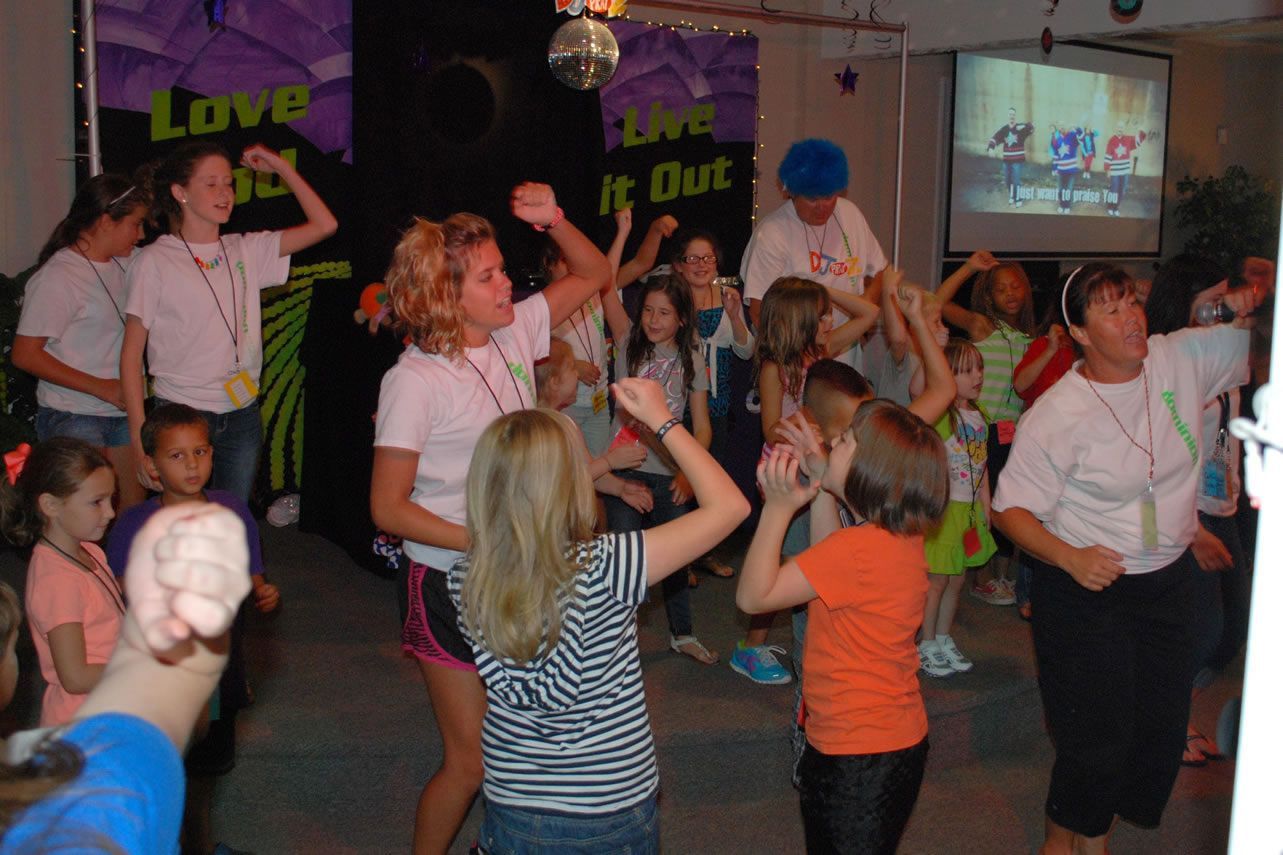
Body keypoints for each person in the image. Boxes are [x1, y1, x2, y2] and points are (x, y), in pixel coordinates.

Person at [369, 182, 611, 854]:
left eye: (504, 267)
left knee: (521, 740)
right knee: (471, 759)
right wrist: (488, 538)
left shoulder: (517, 328)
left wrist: (556, 219)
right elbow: (387, 507)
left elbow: (595, 273)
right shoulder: (414, 380)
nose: (508, 282)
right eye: (489, 275)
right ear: (447, 295)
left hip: (517, 571)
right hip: (447, 581)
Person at [992, 262, 1259, 854]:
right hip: (1088, 591)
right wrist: (1068, 556)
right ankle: (1065, 845)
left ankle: (1091, 837)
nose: (1131, 317)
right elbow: (1007, 512)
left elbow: (1262, 342)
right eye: (1109, 310)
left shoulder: (1178, 358)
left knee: (1156, 736)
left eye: (1130, 302)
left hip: (1165, 584)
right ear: (1080, 334)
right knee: (1095, 741)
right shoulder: (1058, 414)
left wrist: (1255, 296)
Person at [448, 379, 748, 852]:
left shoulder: (465, 576)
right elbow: (731, 506)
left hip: (511, 801)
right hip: (607, 808)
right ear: (570, 486)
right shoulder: (609, 565)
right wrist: (662, 420)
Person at [738, 399, 949, 854]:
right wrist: (824, 481)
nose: (832, 442)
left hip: (855, 756)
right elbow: (828, 562)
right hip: (889, 741)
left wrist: (776, 509)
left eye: (846, 440)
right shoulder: (895, 536)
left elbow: (753, 596)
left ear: (869, 472)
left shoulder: (855, 552)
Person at [1, 503, 252, 853]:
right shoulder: (112, 777)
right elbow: (76, 676)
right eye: (14, 648)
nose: (110, 511)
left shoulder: (25, 760)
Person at [122, 141, 338, 504]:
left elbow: (325, 224)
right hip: (181, 412)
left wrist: (282, 168)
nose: (225, 193)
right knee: (186, 525)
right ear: (180, 192)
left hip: (241, 413)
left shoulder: (245, 249)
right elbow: (131, 357)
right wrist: (138, 439)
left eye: (228, 183)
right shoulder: (154, 262)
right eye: (211, 184)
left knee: (232, 520)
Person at [731, 276, 878, 684]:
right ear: (800, 321)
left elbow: (871, 313)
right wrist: (813, 422)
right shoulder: (776, 367)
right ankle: (802, 657)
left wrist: (822, 290)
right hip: (788, 476)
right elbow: (770, 429)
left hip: (817, 469)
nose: (831, 320)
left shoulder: (823, 350)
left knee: (799, 564)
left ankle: (754, 647)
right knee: (803, 567)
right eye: (822, 315)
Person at [1145, 254, 1261, 766]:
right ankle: (1168, 721)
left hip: (1222, 501)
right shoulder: (1167, 359)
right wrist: (1185, 528)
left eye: (1222, 302)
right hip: (1182, 510)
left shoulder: (1214, 350)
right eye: (1210, 304)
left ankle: (1169, 711)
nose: (1220, 312)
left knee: (1230, 629)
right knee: (1202, 626)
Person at [13, 174, 149, 510]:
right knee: (83, 521)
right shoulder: (58, 277)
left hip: (123, 409)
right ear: (105, 221)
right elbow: (25, 354)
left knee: (129, 514)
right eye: (136, 224)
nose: (141, 234)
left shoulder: (129, 263)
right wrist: (102, 388)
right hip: (73, 414)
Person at [602, 275, 718, 665]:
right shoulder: (628, 344)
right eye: (648, 310)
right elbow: (634, 420)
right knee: (623, 556)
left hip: (671, 473)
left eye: (664, 313)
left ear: (682, 318)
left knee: (676, 558)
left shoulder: (692, 358)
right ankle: (615, 641)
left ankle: (682, 634)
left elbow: (702, 426)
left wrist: (688, 472)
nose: (653, 320)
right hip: (626, 468)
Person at [935, 251, 1036, 604]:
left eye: (1016, 286)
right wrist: (968, 269)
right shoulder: (982, 327)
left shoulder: (1029, 338)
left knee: (1006, 504)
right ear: (988, 296)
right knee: (973, 500)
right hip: (979, 429)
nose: (1010, 293)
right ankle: (976, 574)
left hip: (1014, 432)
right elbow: (938, 303)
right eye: (1001, 288)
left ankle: (1001, 577)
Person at [0, 438, 121, 726]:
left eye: (110, 499)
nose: (111, 512)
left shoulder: (88, 550)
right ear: (50, 505)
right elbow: (75, 676)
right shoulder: (57, 580)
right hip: (81, 725)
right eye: (97, 502)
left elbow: (101, 610)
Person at [740, 139, 888, 371]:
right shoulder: (771, 234)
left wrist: (865, 306)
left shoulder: (851, 214)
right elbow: (760, 313)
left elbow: (879, 270)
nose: (822, 207)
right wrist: (799, 356)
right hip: (797, 361)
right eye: (812, 199)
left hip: (846, 355)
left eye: (829, 197)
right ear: (790, 193)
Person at [549, 209, 676, 457]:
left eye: (575, 259)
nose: (573, 265)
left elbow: (638, 264)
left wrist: (625, 231)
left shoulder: (593, 294)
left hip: (597, 404)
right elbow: (531, 357)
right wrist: (573, 364)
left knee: (597, 475)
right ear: (549, 265)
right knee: (570, 474)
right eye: (564, 260)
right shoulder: (545, 307)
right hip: (566, 405)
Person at [669, 228, 754, 578]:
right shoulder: (672, 299)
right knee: (680, 481)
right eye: (693, 258)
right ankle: (680, 559)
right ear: (679, 265)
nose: (702, 265)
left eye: (708, 258)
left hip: (717, 405)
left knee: (711, 479)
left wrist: (735, 317)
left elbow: (746, 350)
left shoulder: (729, 297)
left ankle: (707, 553)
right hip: (679, 403)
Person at [918, 339, 998, 678]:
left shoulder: (980, 415)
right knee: (936, 582)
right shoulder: (942, 416)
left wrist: (986, 503)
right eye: (966, 370)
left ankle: (943, 637)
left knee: (956, 581)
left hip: (969, 512)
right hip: (946, 510)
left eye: (978, 368)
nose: (977, 376)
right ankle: (925, 642)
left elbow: (983, 464)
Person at [533, 338, 651, 516]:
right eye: (572, 368)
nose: (577, 375)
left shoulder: (566, 421)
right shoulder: (538, 428)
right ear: (554, 382)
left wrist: (620, 488)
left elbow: (588, 471)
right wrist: (609, 461)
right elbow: (563, 484)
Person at [986, 107, 1036, 207]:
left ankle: (1018, 198)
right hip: (1006, 160)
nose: (1011, 116)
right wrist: (991, 148)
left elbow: (1032, 127)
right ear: (1008, 116)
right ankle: (1012, 195)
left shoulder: (1020, 129)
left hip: (1017, 160)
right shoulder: (1004, 129)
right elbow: (995, 138)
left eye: (1013, 114)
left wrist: (1024, 125)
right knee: (1008, 180)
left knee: (1016, 180)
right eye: (1010, 114)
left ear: (1015, 116)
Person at [1104, 122, 1147, 217]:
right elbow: (1108, 155)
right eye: (1119, 127)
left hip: (1125, 171)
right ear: (1116, 128)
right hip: (1115, 171)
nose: (1120, 129)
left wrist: (1141, 131)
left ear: (1124, 129)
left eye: (1122, 127)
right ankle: (1110, 207)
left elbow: (1138, 141)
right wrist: (1107, 170)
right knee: (1114, 190)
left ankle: (1116, 207)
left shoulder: (1128, 139)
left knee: (1122, 190)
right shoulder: (1111, 140)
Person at [1048, 124, 1082, 214]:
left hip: (1071, 170)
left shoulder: (1072, 136)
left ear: (1067, 127)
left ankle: (1067, 206)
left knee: (1069, 189)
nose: (1062, 127)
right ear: (1059, 129)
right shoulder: (1058, 140)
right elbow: (1055, 155)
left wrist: (1078, 128)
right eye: (1060, 126)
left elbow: (1081, 138)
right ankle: (1062, 205)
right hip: (1060, 170)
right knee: (1060, 189)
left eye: (1064, 125)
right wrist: (1054, 168)